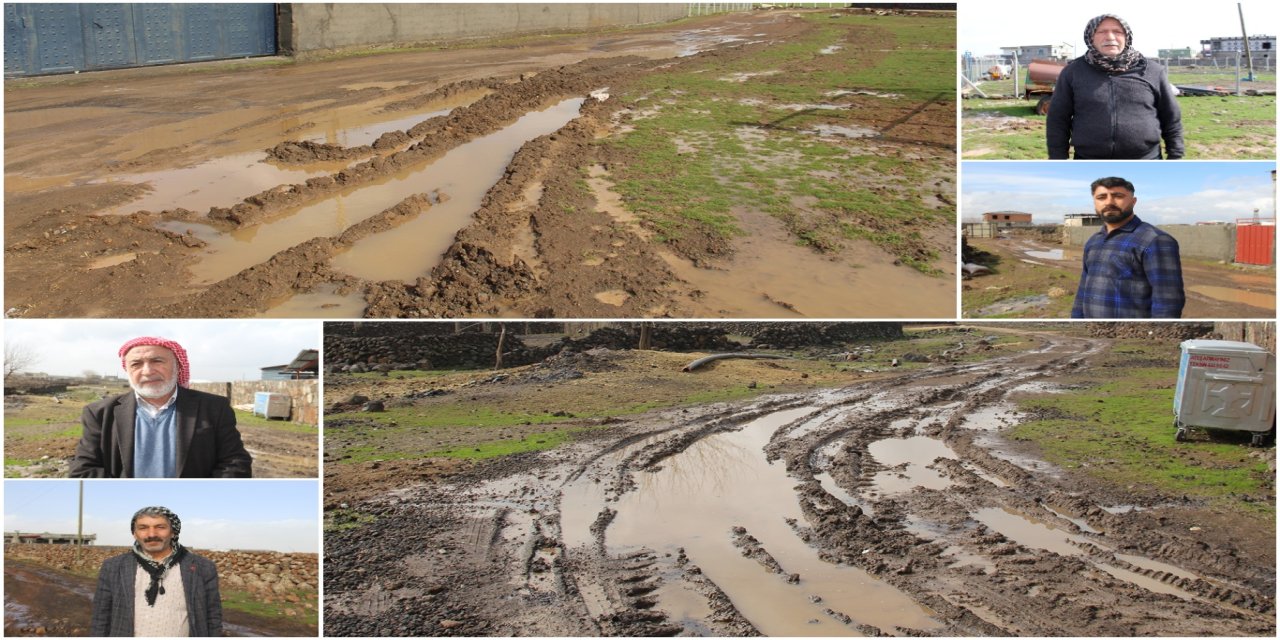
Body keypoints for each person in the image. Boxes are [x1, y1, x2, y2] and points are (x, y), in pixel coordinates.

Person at [70, 337, 252, 478]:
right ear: (127, 371)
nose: (148, 371)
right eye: (136, 364)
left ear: (178, 367)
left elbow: (235, 464)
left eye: (157, 361)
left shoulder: (213, 408)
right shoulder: (99, 413)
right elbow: (83, 470)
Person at [1046, 14, 1184, 159]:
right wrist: (1058, 158)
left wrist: (1175, 156)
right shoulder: (1073, 72)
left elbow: (1171, 117)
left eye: (1117, 32)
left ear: (1127, 37)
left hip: (1146, 160)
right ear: (1090, 37)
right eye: (1101, 32)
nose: (1110, 37)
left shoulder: (1152, 71)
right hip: (1089, 161)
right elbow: (1058, 120)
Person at [90, 506, 224, 637]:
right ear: (134, 533)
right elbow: (100, 618)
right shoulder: (114, 567)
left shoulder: (202, 567)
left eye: (160, 527)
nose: (152, 534)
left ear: (173, 532)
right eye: (143, 528)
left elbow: (213, 617)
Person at [1072, 177, 1185, 318]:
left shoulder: (1155, 240)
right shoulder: (1094, 241)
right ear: (1094, 202)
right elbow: (1083, 288)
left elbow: (1168, 302)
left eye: (1118, 196)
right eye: (1101, 197)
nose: (1109, 202)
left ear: (1133, 201)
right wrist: (1076, 318)